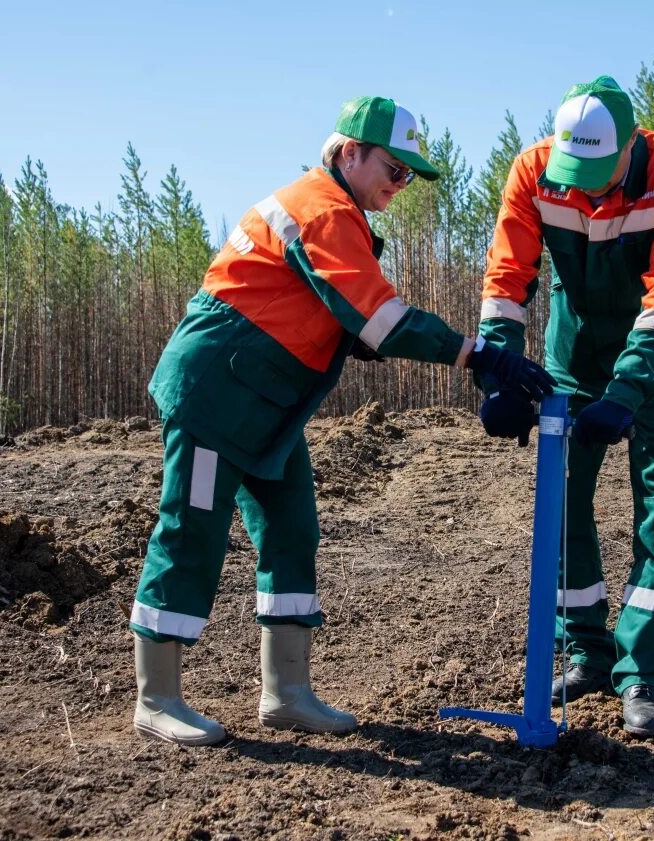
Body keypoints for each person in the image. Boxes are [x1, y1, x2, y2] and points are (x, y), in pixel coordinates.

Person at [130, 96, 555, 746]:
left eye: (410, 174)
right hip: (216, 397)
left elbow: (335, 310)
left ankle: (287, 692)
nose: (400, 182)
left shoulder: (338, 212)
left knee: (293, 525)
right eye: (394, 166)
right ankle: (156, 697)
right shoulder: (323, 208)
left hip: (264, 404)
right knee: (192, 530)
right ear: (349, 152)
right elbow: (380, 320)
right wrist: (480, 353)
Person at [476, 76, 654, 737]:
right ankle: (587, 651)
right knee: (565, 494)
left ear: (632, 144)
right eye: (577, 175)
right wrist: (497, 375)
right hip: (572, 353)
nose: (589, 190)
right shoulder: (533, 172)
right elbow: (507, 278)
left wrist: (628, 392)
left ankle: (642, 670)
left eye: (601, 175)